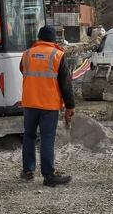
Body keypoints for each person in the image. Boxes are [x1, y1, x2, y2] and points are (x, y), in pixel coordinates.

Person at [19, 26, 75, 187]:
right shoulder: (58, 55)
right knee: (47, 139)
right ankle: (49, 175)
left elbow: (22, 70)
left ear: (39, 38)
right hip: (49, 105)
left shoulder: (27, 54)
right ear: (53, 40)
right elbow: (66, 84)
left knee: (29, 136)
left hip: (29, 103)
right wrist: (70, 106)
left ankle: (28, 171)